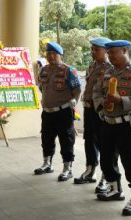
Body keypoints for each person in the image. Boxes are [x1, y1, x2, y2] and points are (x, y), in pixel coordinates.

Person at [93, 40, 131, 216]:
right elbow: (97, 91)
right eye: (108, 53)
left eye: (113, 53)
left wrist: (121, 100)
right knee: (106, 160)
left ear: (125, 51)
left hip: (127, 125)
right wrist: (101, 105)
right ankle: (115, 189)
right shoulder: (107, 72)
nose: (110, 56)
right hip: (108, 123)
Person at [34, 42, 81, 182]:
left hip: (63, 112)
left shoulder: (68, 70)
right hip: (48, 112)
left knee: (66, 140)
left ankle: (68, 168)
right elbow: (42, 87)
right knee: (46, 138)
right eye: (48, 54)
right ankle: (47, 164)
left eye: (54, 54)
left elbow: (77, 89)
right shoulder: (44, 70)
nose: (51, 56)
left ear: (60, 55)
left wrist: (74, 102)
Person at [74, 37, 116, 194]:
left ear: (106, 51)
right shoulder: (92, 65)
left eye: (96, 49)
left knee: (105, 144)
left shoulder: (111, 67)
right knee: (89, 140)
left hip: (102, 110)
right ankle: (90, 170)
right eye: (92, 49)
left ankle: (106, 177)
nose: (93, 52)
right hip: (89, 109)